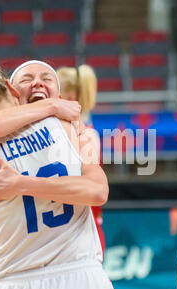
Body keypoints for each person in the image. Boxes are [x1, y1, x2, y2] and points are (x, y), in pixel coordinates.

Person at [0, 47, 116, 289]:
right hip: (81, 278)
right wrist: (50, 106)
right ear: (13, 89)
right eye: (27, 79)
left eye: (47, 78)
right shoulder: (73, 129)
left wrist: (20, 184)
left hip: (16, 282)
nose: (37, 82)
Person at [57, 64, 106, 255]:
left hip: (84, 232)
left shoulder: (84, 135)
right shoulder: (76, 130)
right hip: (76, 231)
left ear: (68, 99)